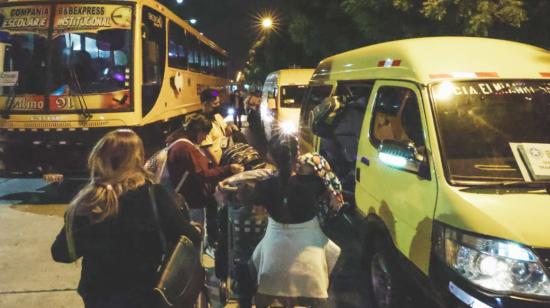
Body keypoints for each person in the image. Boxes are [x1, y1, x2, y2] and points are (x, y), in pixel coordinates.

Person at [51, 129, 202, 308]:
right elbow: (188, 237)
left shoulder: (90, 201)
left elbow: (62, 253)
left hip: (99, 298)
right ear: (137, 159)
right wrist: (195, 228)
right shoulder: (153, 195)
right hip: (143, 295)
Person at [251, 134, 343, 308]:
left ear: (270, 156)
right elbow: (330, 192)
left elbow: (258, 213)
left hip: (275, 249)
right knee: (327, 274)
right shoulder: (314, 182)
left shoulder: (264, 184)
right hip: (309, 251)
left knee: (256, 270)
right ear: (298, 153)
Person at [166, 114, 243, 244]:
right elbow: (203, 175)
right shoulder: (186, 148)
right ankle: (197, 259)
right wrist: (228, 169)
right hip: (191, 200)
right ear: (198, 131)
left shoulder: (177, 142)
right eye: (205, 134)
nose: (205, 138)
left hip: (186, 197)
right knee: (196, 234)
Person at [200, 88, 233, 165]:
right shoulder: (202, 123)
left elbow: (225, 131)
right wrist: (219, 167)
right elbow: (206, 149)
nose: (218, 106)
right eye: (215, 104)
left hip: (225, 156)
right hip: (215, 163)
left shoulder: (217, 116)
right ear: (205, 104)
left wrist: (229, 128)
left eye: (218, 103)